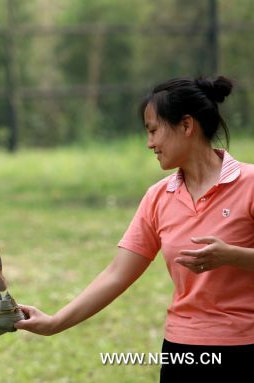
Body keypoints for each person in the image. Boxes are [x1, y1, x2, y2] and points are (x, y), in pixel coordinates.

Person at [14, 75, 254, 381]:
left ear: (186, 125)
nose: (149, 143)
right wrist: (54, 322)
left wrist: (232, 256)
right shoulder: (158, 197)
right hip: (183, 350)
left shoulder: (249, 184)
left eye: (154, 131)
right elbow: (116, 275)